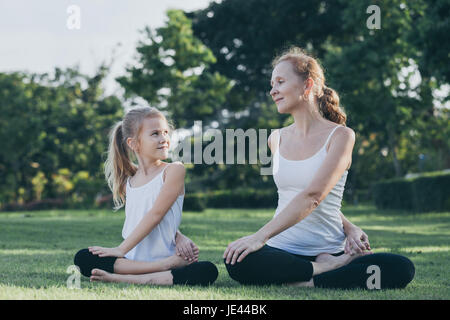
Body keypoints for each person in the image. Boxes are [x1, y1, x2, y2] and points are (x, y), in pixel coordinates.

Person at [223, 47, 415, 289]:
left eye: (280, 82)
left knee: (401, 267)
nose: (272, 90)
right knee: (237, 260)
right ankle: (327, 271)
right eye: (272, 84)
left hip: (330, 248)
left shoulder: (341, 136)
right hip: (284, 251)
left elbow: (315, 196)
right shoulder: (276, 139)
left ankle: (310, 275)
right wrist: (350, 226)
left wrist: (259, 236)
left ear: (307, 85)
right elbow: (297, 195)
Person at [74, 107, 218, 286]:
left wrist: (120, 249)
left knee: (208, 270)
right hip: (134, 260)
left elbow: (156, 214)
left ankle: (120, 277)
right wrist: (178, 235)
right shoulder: (130, 179)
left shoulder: (174, 170)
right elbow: (147, 215)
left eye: (165, 132)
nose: (164, 139)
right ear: (134, 143)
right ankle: (163, 268)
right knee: (83, 257)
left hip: (157, 255)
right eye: (155, 134)